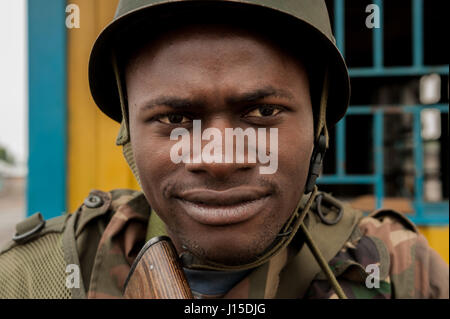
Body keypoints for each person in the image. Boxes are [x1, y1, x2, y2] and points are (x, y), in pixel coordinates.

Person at [0, 0, 448, 299]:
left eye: (263, 112)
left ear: (318, 124)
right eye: (175, 119)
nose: (219, 159)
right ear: (129, 131)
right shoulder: (33, 278)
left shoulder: (401, 270)